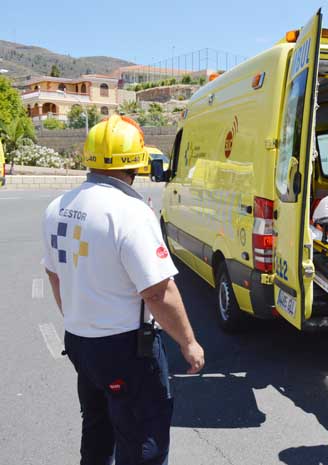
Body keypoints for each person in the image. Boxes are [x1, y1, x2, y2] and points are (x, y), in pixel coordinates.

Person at [41, 115, 205, 465]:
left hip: (80, 343)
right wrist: (188, 343)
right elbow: (159, 292)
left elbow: (53, 274)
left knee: (97, 426)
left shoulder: (58, 207)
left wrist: (78, 318)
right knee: (144, 437)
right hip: (125, 348)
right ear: (138, 161)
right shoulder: (130, 212)